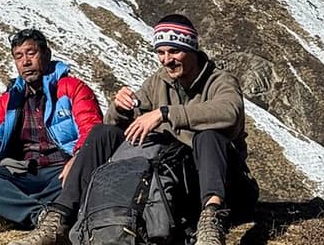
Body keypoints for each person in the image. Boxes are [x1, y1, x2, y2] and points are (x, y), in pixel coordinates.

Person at [43, 14, 255, 245]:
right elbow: (121, 121)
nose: (166, 60)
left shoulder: (220, 81)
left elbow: (228, 112)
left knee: (208, 136)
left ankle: (212, 220)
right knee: (102, 133)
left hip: (226, 184)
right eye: (160, 52)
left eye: (174, 51)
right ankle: (60, 217)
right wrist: (120, 108)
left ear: (192, 49)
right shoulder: (158, 81)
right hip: (180, 182)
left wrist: (165, 114)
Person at [0, 28, 102, 245]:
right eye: (19, 56)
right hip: (26, 173)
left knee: (85, 182)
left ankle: (15, 213)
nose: (25, 62)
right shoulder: (8, 100)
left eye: (31, 53)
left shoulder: (71, 88)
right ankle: (43, 217)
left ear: (46, 55)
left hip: (63, 172)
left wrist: (79, 157)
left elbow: (91, 129)